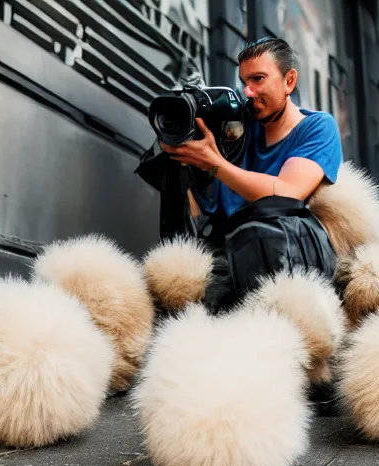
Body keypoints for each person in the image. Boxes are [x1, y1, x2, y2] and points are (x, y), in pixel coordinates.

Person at [137, 37, 343, 313]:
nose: (249, 91)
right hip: (220, 252)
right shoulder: (236, 121)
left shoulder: (317, 127)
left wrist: (214, 163)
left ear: (289, 81)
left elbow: (286, 192)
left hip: (280, 261)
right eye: (244, 81)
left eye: (258, 79)